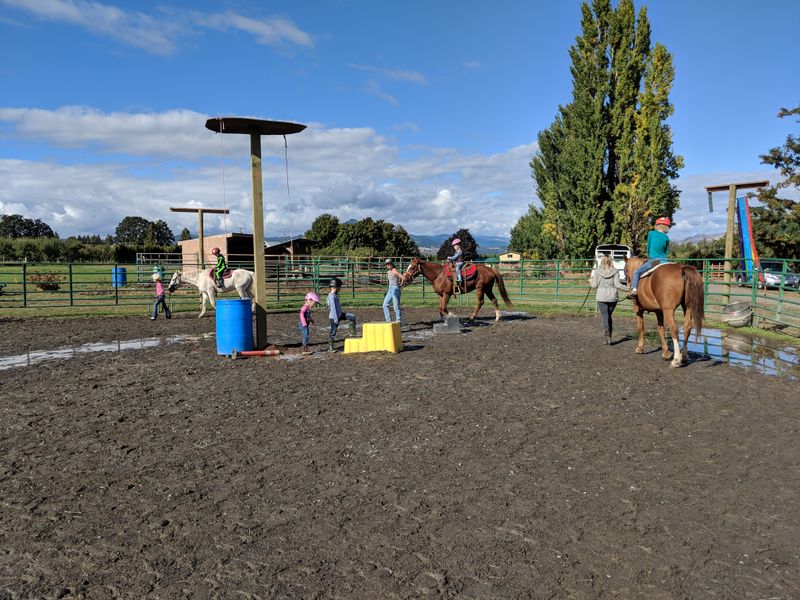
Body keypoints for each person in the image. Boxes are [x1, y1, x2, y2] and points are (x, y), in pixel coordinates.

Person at [590, 254, 627, 344]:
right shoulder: (615, 271)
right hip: (613, 297)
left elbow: (594, 285)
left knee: (605, 317)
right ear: (611, 261)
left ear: (602, 261)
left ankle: (608, 337)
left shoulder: (597, 272)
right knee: (608, 316)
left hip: (601, 297)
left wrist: (590, 282)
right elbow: (618, 285)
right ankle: (609, 336)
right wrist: (628, 288)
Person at [630, 217, 672, 298]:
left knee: (636, 272)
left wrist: (650, 256)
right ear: (667, 227)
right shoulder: (666, 238)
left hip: (653, 260)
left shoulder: (651, 233)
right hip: (664, 261)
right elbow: (666, 252)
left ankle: (634, 290)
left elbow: (648, 247)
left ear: (657, 225)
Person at [326, 278, 357, 353]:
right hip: (334, 317)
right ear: (336, 287)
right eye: (339, 287)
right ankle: (330, 348)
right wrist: (336, 319)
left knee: (352, 316)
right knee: (333, 332)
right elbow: (333, 309)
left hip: (339, 315)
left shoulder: (335, 296)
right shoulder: (331, 297)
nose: (340, 289)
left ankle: (352, 333)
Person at [382, 259, 403, 324]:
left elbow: (403, 277)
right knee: (385, 305)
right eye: (386, 264)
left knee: (396, 306)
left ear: (391, 264)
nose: (387, 265)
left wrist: (401, 284)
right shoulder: (388, 272)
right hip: (390, 289)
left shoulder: (394, 270)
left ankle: (399, 322)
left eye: (389, 264)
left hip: (395, 289)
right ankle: (388, 321)